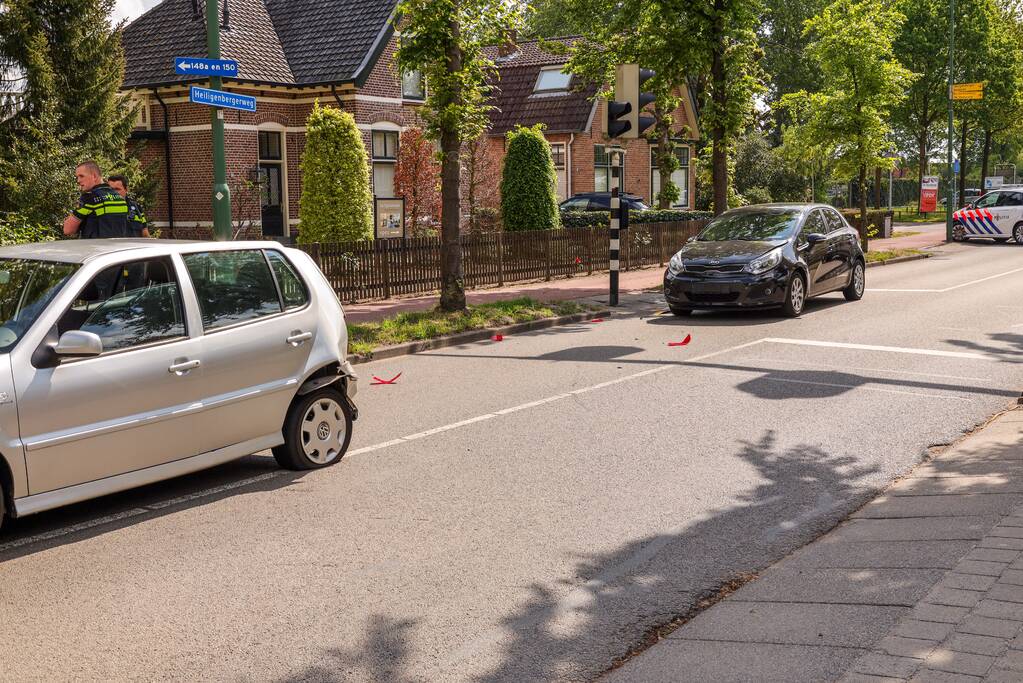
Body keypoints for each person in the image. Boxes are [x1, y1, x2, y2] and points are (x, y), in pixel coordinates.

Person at [63, 160, 129, 239]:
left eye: (81, 176)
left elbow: (68, 230)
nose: (78, 181)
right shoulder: (119, 198)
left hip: (95, 249)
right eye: (77, 177)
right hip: (117, 249)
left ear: (94, 176)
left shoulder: (90, 197)